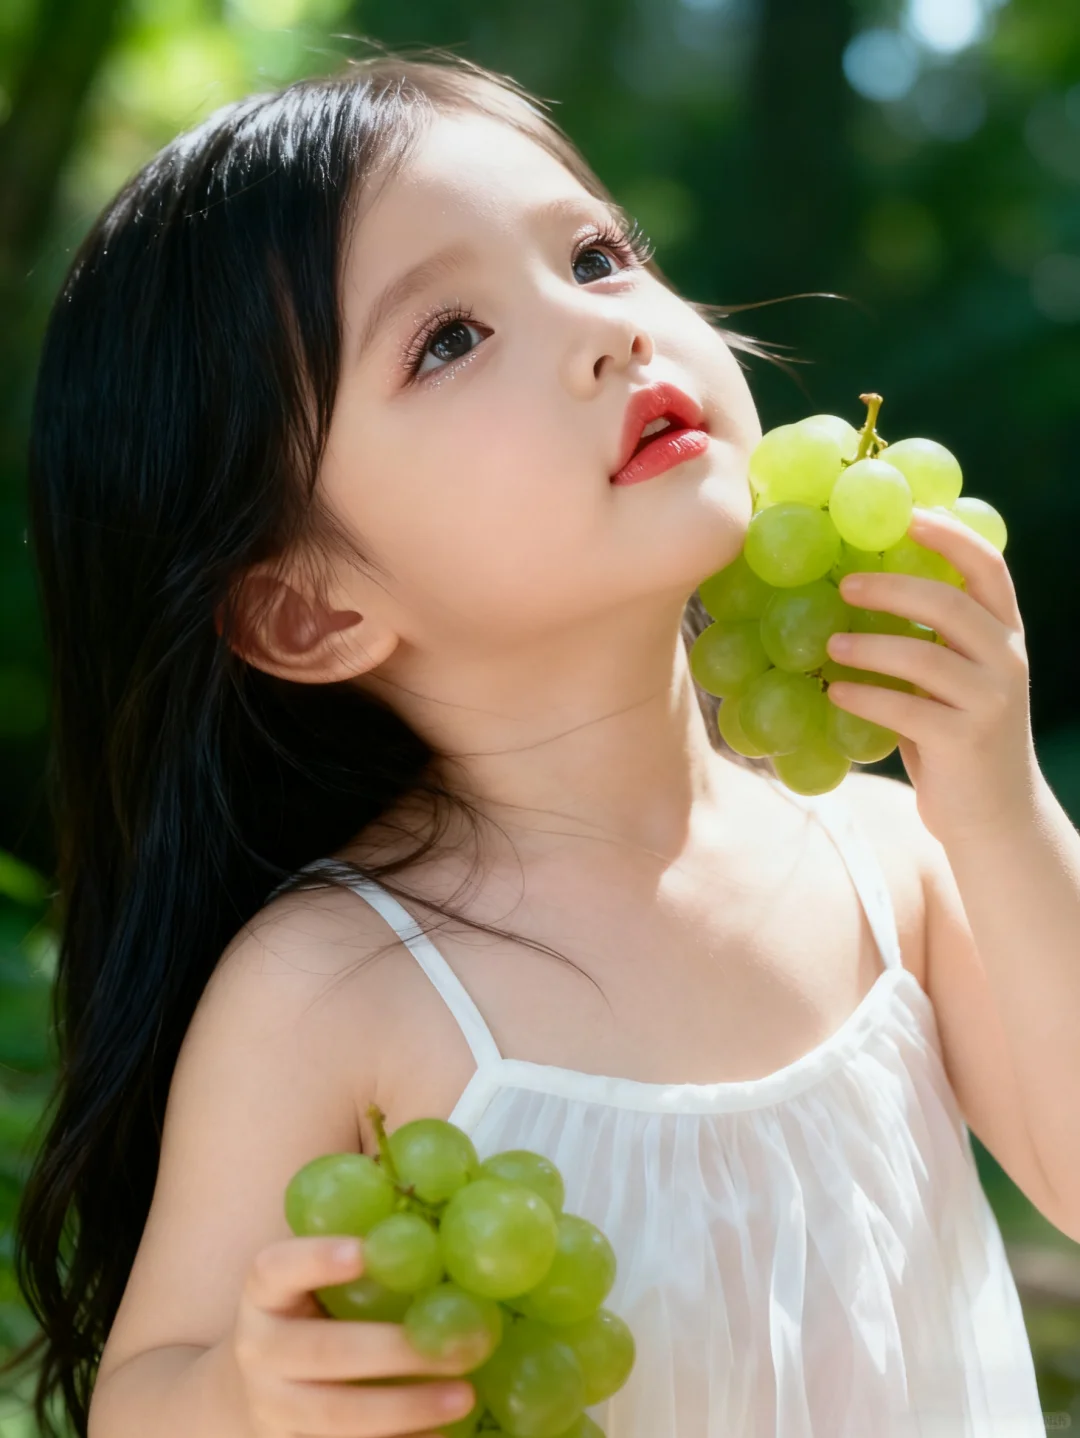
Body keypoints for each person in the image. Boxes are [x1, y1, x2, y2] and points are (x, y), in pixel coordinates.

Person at [8, 43, 1080, 1438]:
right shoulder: (337, 987)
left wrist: (996, 805)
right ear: (307, 610)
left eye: (594, 254)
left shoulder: (892, 862)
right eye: (447, 339)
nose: (607, 328)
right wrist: (247, 1395)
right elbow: (149, 1395)